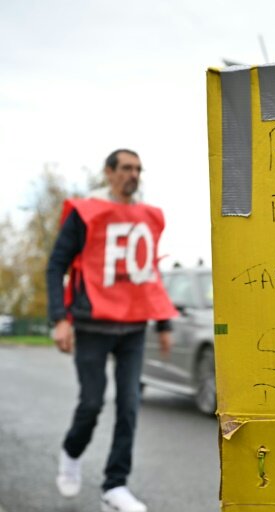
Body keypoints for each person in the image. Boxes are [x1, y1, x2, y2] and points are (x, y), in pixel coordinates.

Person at [46, 149, 177, 512]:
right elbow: (56, 264)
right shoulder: (87, 212)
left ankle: (114, 486)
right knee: (91, 402)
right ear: (109, 172)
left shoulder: (144, 216)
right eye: (125, 168)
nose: (133, 174)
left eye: (138, 168)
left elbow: (149, 270)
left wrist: (164, 323)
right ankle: (71, 454)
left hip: (134, 327)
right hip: (92, 323)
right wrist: (59, 318)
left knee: (130, 405)